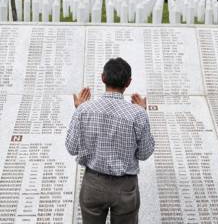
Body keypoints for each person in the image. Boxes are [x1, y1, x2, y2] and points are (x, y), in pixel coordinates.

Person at [65, 57, 155, 224]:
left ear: (103, 78)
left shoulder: (84, 110)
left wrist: (79, 110)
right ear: (128, 82)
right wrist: (143, 112)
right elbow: (144, 153)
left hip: (93, 184)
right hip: (125, 187)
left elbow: (71, 148)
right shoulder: (138, 114)